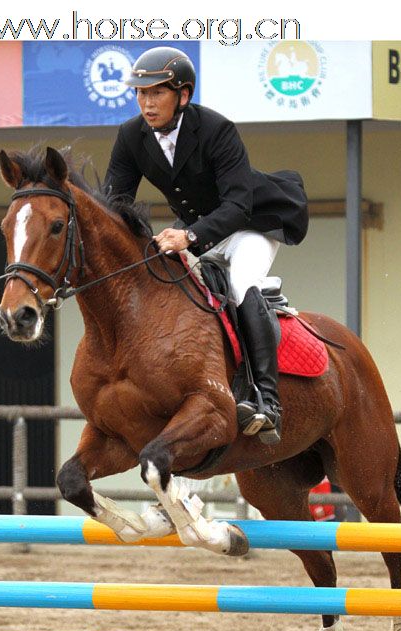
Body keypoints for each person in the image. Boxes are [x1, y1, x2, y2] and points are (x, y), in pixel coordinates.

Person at [104, 46, 309, 445]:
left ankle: (268, 402)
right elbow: (115, 204)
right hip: (198, 227)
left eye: (156, 93)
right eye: (140, 94)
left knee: (240, 285)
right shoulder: (131, 136)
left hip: (251, 223)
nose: (146, 103)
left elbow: (237, 204)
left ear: (183, 95)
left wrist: (189, 236)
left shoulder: (216, 129)